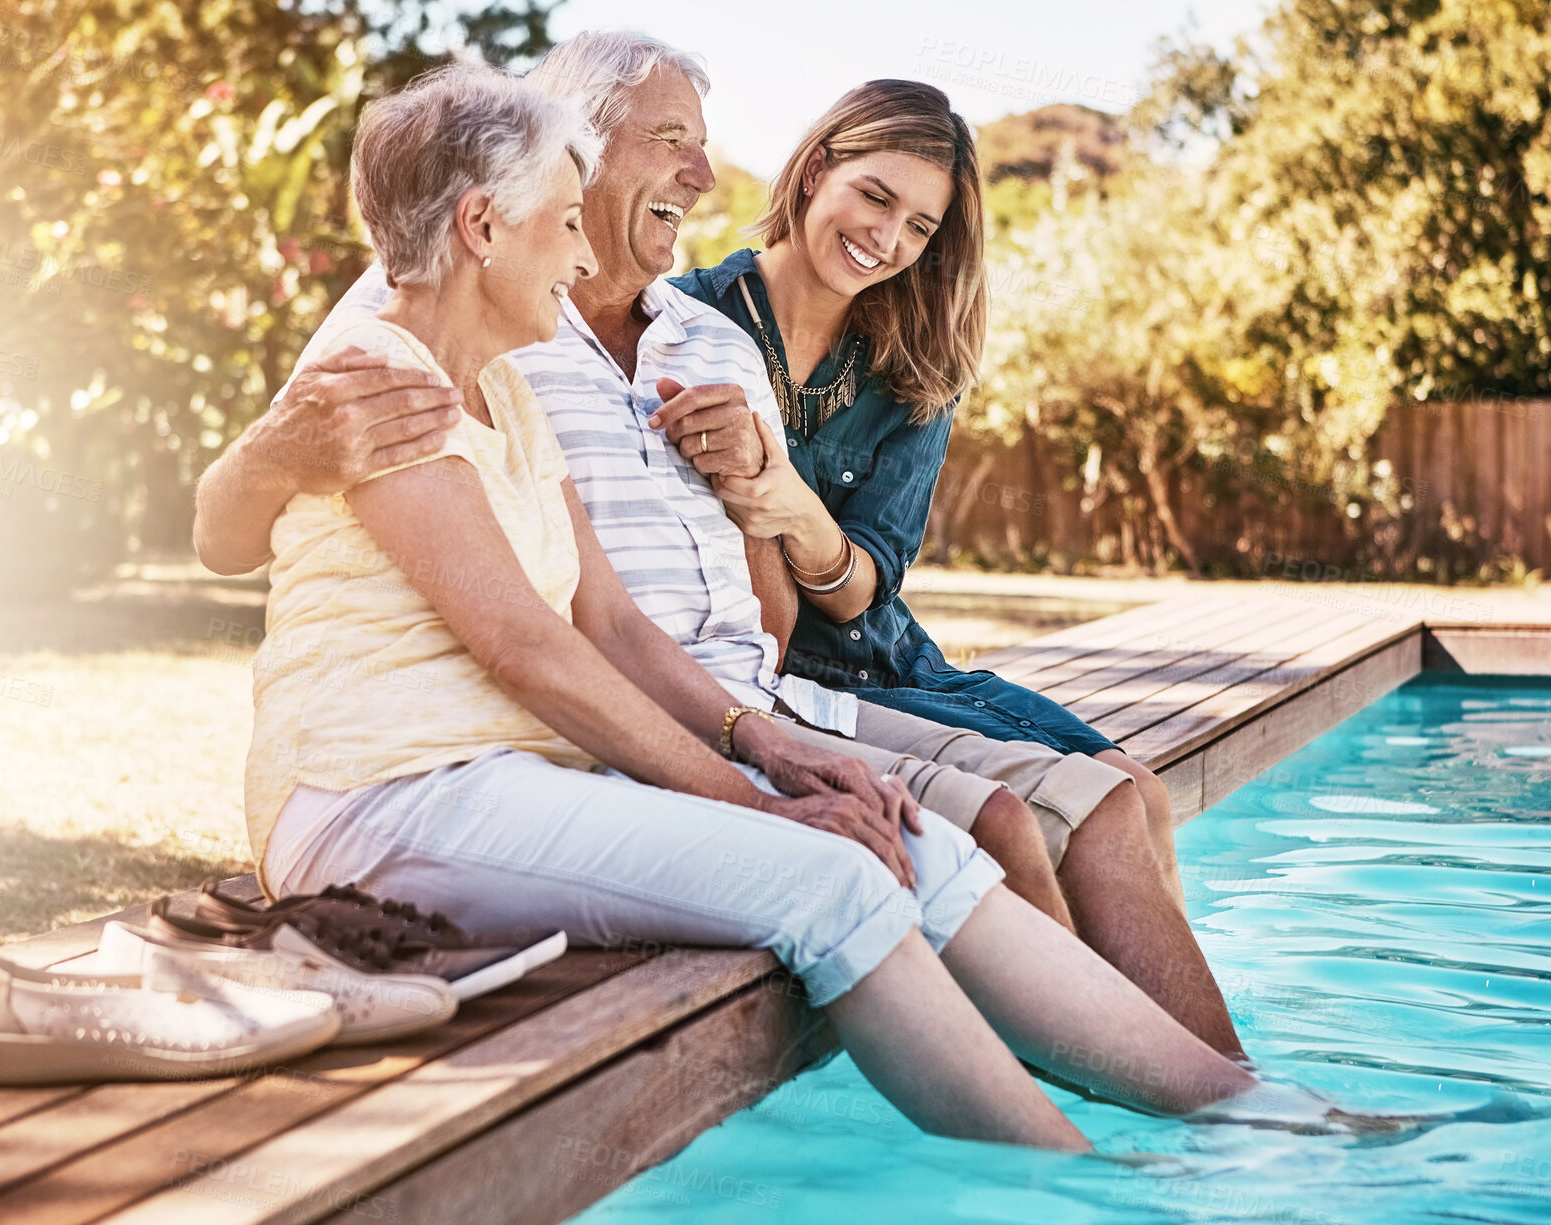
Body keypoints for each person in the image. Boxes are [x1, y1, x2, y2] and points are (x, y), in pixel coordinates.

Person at [237, 57, 1254, 1151]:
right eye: (566, 222)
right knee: (834, 874)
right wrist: (756, 797)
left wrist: (764, 740)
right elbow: (528, 646)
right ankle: (1086, 1194)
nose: (583, 257)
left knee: (926, 845)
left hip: (515, 767)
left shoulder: (507, 386)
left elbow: (612, 619)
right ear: (485, 225)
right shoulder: (396, 378)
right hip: (382, 788)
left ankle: (1251, 1111)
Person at [668, 79, 1188, 917]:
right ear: (814, 172)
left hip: (891, 659)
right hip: (777, 680)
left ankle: (1153, 1041)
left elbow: (866, 586)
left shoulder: (915, 366)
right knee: (1068, 819)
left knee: (1139, 793)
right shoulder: (683, 322)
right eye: (874, 196)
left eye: (918, 226)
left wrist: (792, 507)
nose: (886, 239)